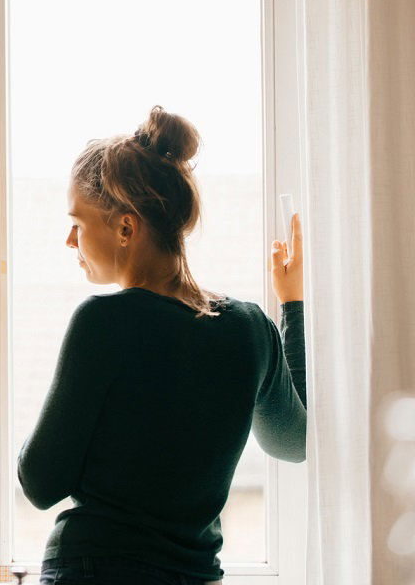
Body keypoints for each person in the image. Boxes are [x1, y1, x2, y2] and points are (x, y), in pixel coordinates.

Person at [17, 106, 306, 585]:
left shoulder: (102, 322)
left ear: (126, 228)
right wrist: (291, 306)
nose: (70, 240)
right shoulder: (251, 327)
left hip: (95, 570)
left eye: (78, 222)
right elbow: (294, 442)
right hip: (195, 576)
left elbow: (40, 483)